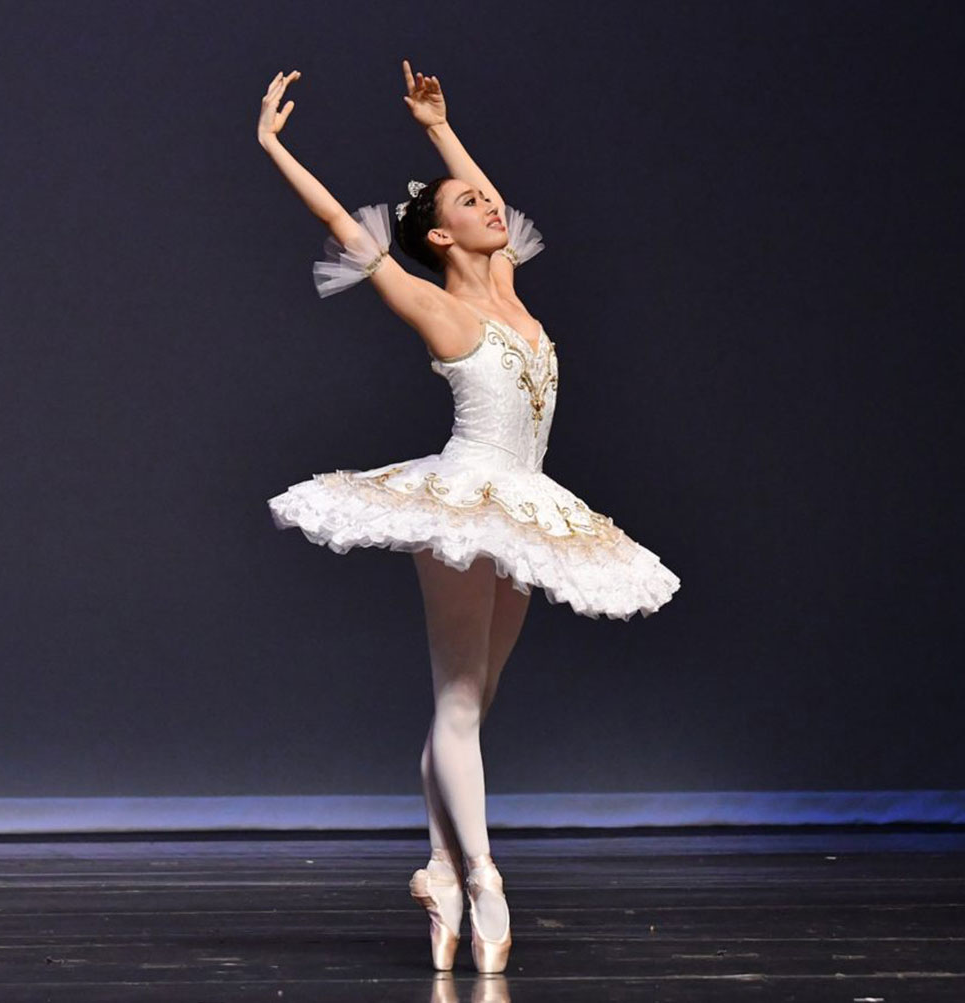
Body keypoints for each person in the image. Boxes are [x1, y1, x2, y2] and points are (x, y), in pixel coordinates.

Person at [258, 60, 681, 974]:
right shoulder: (443, 310)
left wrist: (437, 129)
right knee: (456, 699)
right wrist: (272, 148)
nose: (494, 207)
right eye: (471, 203)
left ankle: (440, 873)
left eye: (490, 199)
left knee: (472, 709)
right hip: (465, 499)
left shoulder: (514, 291)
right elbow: (345, 228)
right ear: (442, 236)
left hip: (528, 503)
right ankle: (484, 877)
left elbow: (482, 194)